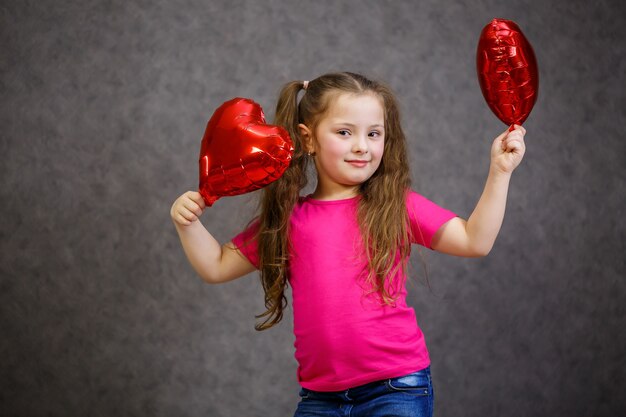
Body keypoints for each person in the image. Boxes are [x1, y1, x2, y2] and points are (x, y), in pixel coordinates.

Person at [171, 72, 526, 416]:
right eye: (344, 132)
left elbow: (474, 240)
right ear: (307, 139)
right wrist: (187, 224)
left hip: (396, 387)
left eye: (374, 133)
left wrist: (500, 172)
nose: (362, 146)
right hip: (319, 398)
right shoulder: (288, 219)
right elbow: (216, 265)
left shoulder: (395, 205)